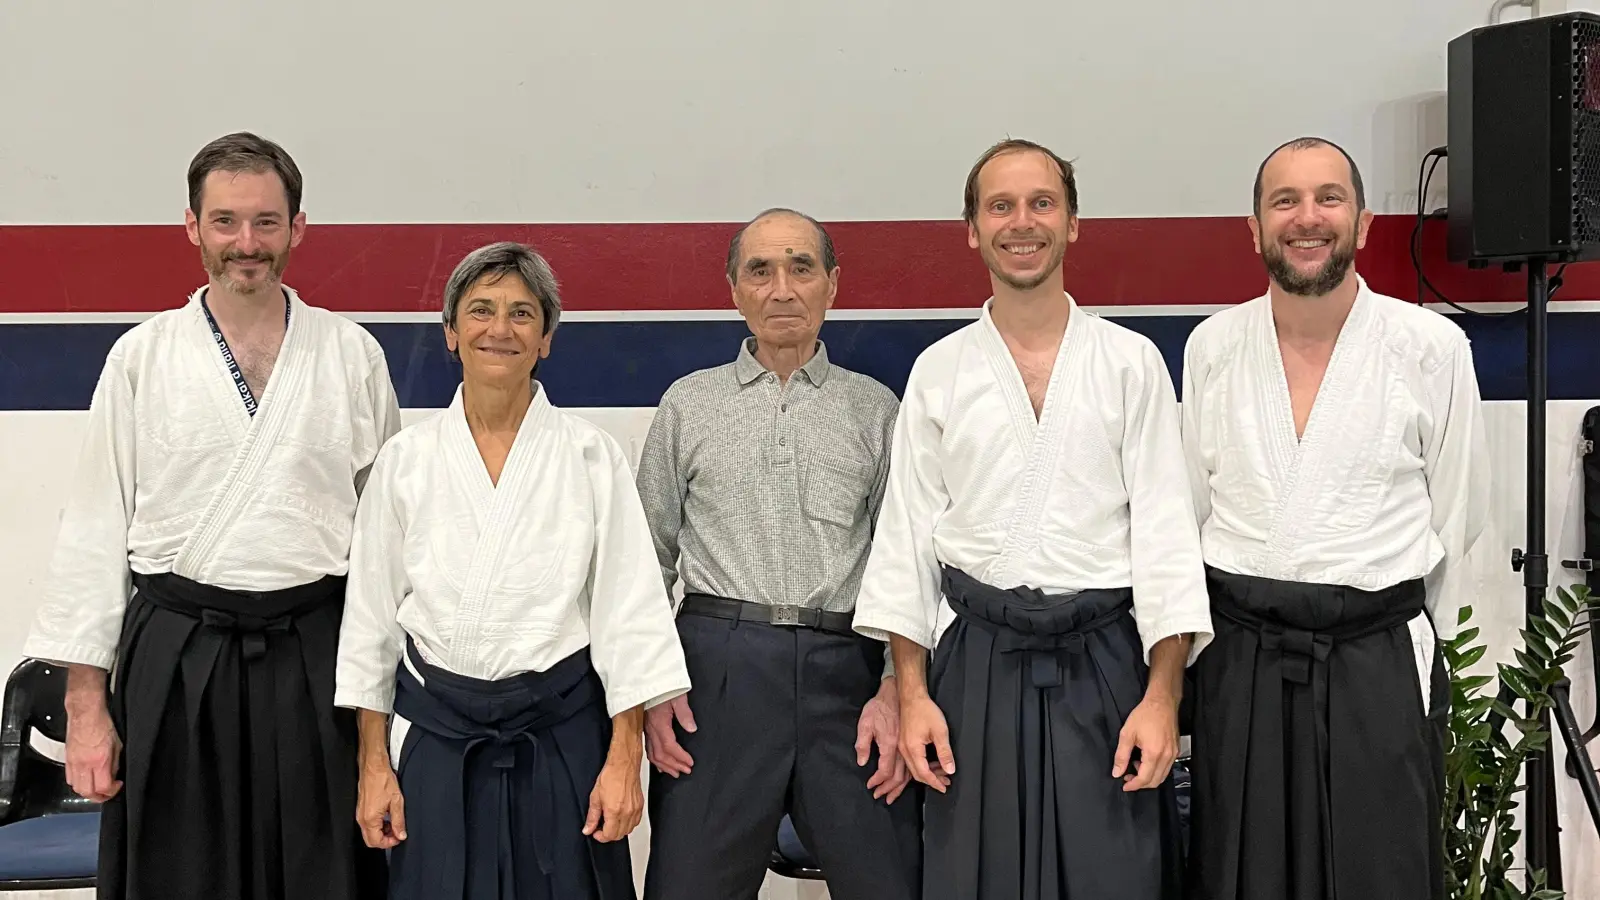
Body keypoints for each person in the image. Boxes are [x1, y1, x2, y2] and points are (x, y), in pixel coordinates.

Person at [21, 132, 398, 900]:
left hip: (313, 656)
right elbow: (93, 532)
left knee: (319, 874)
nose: (246, 243)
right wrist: (87, 709)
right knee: (179, 872)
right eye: (225, 222)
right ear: (192, 227)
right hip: (177, 650)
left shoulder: (351, 355)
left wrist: (380, 725)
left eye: (266, 221)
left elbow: (388, 541)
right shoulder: (142, 356)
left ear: (299, 227)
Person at [851, 138, 1215, 900]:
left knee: (1118, 876)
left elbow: (1165, 536)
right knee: (973, 879)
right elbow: (907, 539)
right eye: (1002, 206)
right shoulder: (941, 370)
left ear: (1074, 223)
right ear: (972, 229)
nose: (1023, 222)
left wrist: (1162, 697)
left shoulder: (1130, 361)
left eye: (1042, 203)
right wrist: (912, 694)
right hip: (974, 668)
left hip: (1106, 666)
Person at [1179, 136, 1490, 900]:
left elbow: (1458, 520)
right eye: (1284, 200)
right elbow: (1187, 514)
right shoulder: (1213, 347)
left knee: (1378, 873)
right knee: (1238, 873)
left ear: (1365, 221)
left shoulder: (1431, 348)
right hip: (1241, 658)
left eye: (1328, 198)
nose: (1306, 218)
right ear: (1252, 228)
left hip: (1373, 658)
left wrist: (1403, 645)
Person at [333, 241, 692, 900]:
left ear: (547, 338)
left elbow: (629, 617)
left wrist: (623, 759)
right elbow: (370, 628)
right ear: (451, 331)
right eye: (481, 311)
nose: (500, 329)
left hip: (562, 738)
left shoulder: (590, 457)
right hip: (439, 741)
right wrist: (373, 764)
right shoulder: (405, 460)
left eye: (522, 314)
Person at [634, 208, 922, 900]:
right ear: (734, 289)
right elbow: (644, 561)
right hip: (715, 676)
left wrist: (894, 687)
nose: (782, 288)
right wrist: (650, 688)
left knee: (891, 883)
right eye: (760, 270)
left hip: (849, 683)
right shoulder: (688, 406)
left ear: (832, 285)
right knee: (689, 886)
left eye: (801, 267)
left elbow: (905, 563)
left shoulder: (876, 410)